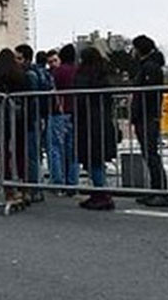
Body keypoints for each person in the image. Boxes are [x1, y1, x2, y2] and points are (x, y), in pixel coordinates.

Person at [73, 46, 117, 211]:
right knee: (96, 159)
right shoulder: (103, 74)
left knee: (92, 160)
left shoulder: (84, 75)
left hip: (88, 121)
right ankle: (99, 192)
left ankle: (101, 193)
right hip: (102, 120)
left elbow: (80, 97)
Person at [129, 35, 168, 207]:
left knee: (151, 153)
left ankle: (160, 191)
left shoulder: (150, 68)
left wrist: (139, 111)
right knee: (148, 153)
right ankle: (155, 190)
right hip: (145, 115)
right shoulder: (148, 66)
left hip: (148, 115)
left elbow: (148, 94)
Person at [0, 49, 31, 203]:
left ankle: (8, 190)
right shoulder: (20, 75)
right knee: (20, 151)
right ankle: (24, 188)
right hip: (18, 117)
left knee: (4, 153)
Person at [15, 43, 52, 198]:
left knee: (31, 155)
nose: (16, 61)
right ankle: (35, 187)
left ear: (26, 59)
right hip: (35, 117)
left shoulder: (29, 75)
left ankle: (34, 188)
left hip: (30, 118)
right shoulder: (38, 73)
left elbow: (32, 100)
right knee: (33, 154)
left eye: (18, 58)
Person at [48, 45, 79, 191]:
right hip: (74, 112)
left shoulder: (58, 72)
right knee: (72, 150)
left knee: (55, 148)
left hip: (59, 113)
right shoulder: (78, 71)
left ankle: (58, 181)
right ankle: (72, 182)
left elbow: (54, 90)